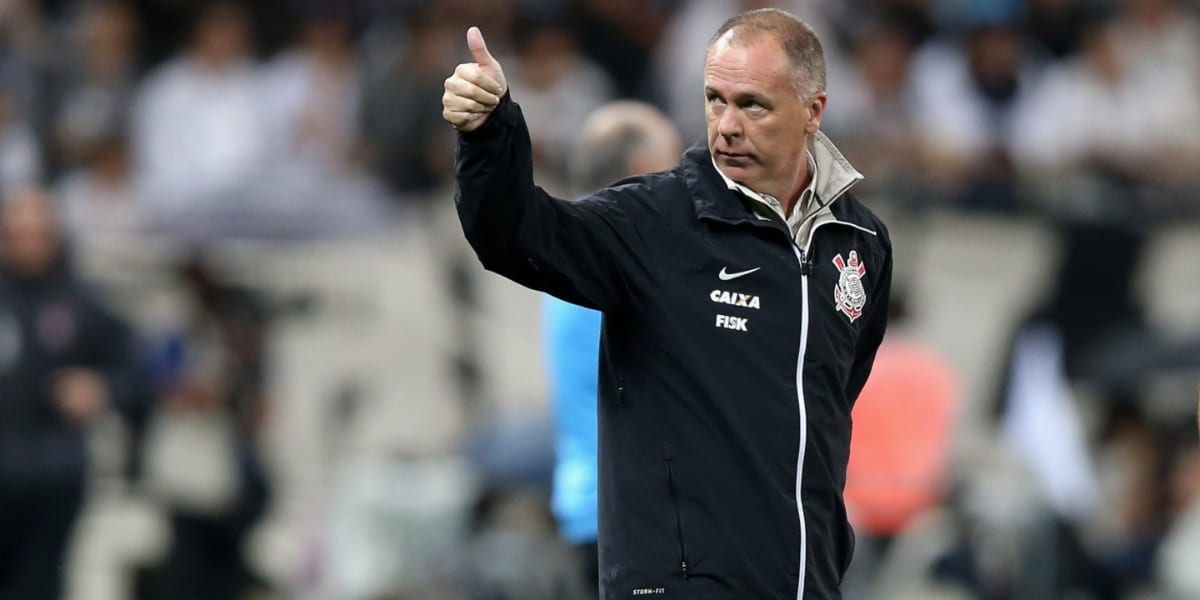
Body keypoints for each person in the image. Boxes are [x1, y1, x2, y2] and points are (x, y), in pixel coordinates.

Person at [444, 8, 893, 599]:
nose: (726, 125)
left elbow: (832, 399)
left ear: (813, 112)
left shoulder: (859, 244)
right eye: (714, 99)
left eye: (751, 104)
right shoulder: (653, 221)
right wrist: (489, 134)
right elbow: (517, 235)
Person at [545, 101, 682, 596]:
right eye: (671, 165)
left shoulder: (575, 245)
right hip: (632, 514)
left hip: (597, 508)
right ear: (639, 171)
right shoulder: (617, 255)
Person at [0, 187, 145, 599]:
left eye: (37, 234)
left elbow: (137, 370)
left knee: (41, 586)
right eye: (16, 234)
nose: (27, 245)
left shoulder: (80, 302)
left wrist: (101, 388)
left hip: (53, 478)